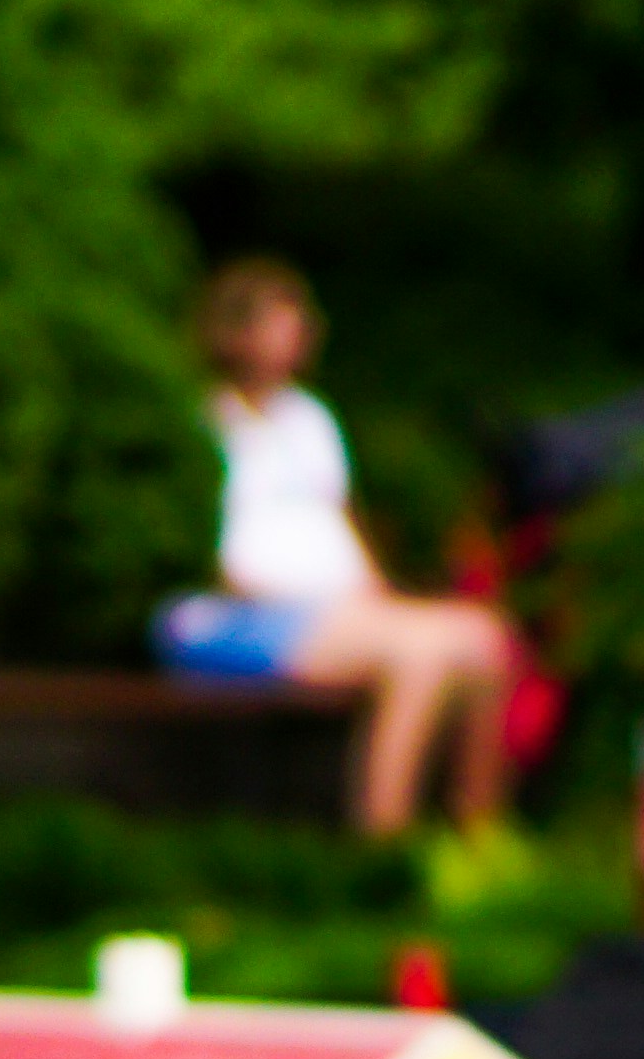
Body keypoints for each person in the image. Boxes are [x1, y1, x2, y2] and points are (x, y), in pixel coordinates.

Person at [159, 259, 510, 837]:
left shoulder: (310, 419)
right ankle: (382, 839)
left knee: (483, 641)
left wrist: (374, 592)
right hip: (241, 618)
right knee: (417, 655)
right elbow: (209, 553)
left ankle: (478, 832)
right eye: (280, 319)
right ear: (236, 332)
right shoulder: (202, 423)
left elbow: (338, 519)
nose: (299, 332)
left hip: (336, 611)